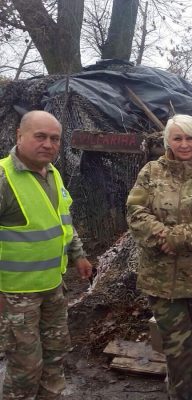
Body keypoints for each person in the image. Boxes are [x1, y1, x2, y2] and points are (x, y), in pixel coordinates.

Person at [126, 114, 192, 400]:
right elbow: (135, 213)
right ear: (167, 141)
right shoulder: (150, 173)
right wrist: (164, 237)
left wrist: (178, 238)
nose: (184, 144)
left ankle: (179, 389)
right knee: (179, 348)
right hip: (162, 281)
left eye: (190, 138)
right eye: (178, 138)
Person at [0, 110, 93, 399]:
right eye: (40, 136)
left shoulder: (52, 174)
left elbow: (62, 221)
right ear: (19, 135)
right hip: (16, 296)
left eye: (54, 139)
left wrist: (78, 254)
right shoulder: (4, 179)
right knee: (25, 367)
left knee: (55, 355)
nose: (48, 144)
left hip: (52, 287)